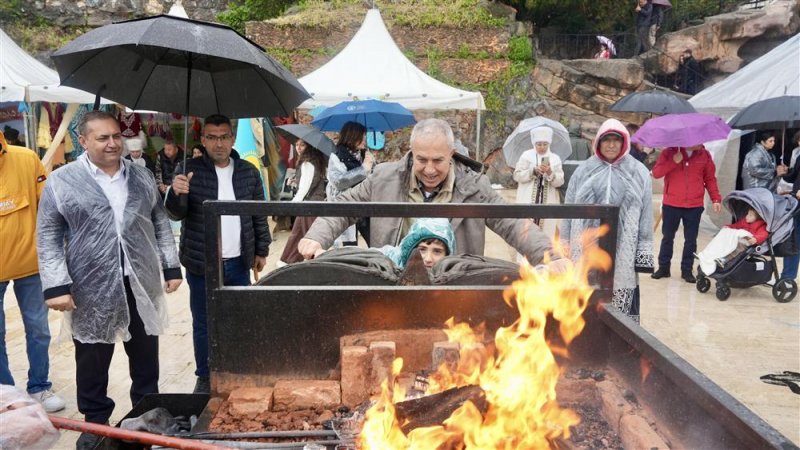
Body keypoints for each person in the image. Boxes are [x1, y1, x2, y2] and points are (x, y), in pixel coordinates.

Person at [36, 111, 182, 450]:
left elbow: (160, 223)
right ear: (83, 141)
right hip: (90, 288)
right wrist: (56, 285)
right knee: (92, 360)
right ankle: (96, 424)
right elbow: (48, 234)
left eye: (116, 135)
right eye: (102, 138)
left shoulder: (141, 176)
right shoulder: (64, 180)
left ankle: (147, 418)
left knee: (146, 359)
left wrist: (171, 267)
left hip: (139, 282)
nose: (113, 143)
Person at [298, 118, 561, 269]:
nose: (430, 169)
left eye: (438, 160)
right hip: (394, 283)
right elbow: (345, 205)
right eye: (422, 160)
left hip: (453, 288)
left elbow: (512, 223)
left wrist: (551, 256)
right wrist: (316, 237)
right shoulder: (384, 178)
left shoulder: (474, 186)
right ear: (412, 152)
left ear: (451, 155)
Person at [165, 114, 270, 394]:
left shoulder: (248, 172)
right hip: (202, 263)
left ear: (232, 139)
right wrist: (177, 193)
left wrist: (262, 248)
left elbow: (258, 213)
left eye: (224, 136)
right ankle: (205, 375)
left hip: (239, 260)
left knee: (241, 317)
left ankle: (241, 368)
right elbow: (175, 213)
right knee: (203, 322)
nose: (218, 143)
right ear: (203, 140)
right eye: (211, 137)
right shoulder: (188, 170)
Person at [561, 119, 654, 323]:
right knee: (586, 291)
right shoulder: (584, 171)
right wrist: (565, 246)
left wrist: (643, 253)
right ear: (598, 143)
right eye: (606, 140)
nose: (611, 145)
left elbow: (647, 213)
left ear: (624, 143)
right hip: (587, 246)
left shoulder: (638, 172)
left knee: (620, 288)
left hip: (623, 248)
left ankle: (620, 343)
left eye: (616, 140)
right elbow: (568, 210)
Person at [0, 131, 65, 413]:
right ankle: (6, 393)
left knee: (38, 329)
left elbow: (49, 209)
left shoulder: (26, 159)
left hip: (30, 264)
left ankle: (39, 385)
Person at [651, 143, 722, 282]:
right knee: (667, 237)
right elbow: (656, 173)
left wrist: (716, 198)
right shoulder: (669, 152)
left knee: (691, 240)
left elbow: (710, 179)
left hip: (694, 205)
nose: (700, 142)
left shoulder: (704, 155)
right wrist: (673, 161)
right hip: (671, 203)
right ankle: (664, 268)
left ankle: (687, 270)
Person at [279, 139, 328, 266]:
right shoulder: (316, 161)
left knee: (309, 238)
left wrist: (293, 204)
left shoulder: (308, 163)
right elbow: (310, 183)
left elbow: (305, 188)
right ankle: (289, 260)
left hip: (309, 205)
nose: (298, 148)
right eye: (296, 145)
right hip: (312, 204)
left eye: (302, 145)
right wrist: (295, 182)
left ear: (309, 146)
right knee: (298, 234)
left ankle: (314, 263)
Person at [513, 126, 565, 247]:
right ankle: (524, 263)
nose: (542, 147)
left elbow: (560, 181)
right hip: (527, 201)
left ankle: (545, 261)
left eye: (545, 144)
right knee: (526, 234)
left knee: (546, 236)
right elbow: (517, 175)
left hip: (547, 204)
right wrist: (532, 171)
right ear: (534, 143)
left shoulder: (555, 159)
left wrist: (550, 173)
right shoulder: (526, 156)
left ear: (549, 143)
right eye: (539, 144)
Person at [327, 121, 374, 246]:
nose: (364, 139)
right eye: (362, 136)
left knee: (376, 242)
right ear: (352, 137)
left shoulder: (363, 154)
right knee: (348, 247)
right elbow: (338, 182)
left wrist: (371, 166)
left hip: (364, 205)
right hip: (346, 206)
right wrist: (363, 169)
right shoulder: (336, 156)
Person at [696, 207, 768, 276]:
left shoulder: (761, 226)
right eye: (747, 214)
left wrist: (756, 239)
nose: (747, 216)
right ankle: (707, 254)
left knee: (736, 250)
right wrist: (729, 227)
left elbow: (763, 234)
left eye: (750, 215)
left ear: (758, 218)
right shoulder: (744, 221)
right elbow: (736, 226)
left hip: (745, 243)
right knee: (724, 241)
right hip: (737, 240)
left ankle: (724, 259)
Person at [377, 218, 455, 269]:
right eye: (422, 249)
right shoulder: (388, 261)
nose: (428, 259)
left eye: (437, 251)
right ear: (409, 250)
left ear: (447, 255)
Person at [780, 160, 800, 281]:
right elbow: (794, 177)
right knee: (793, 240)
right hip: (796, 202)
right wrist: (785, 173)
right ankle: (787, 277)